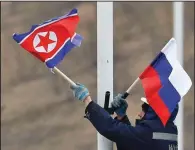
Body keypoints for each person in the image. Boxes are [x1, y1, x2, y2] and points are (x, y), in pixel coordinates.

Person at [70, 83, 178, 150]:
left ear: (154, 112)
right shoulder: (169, 132)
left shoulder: (148, 133)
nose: (139, 114)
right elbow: (134, 143)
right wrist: (122, 117)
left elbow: (111, 128)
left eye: (145, 110)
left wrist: (87, 101)